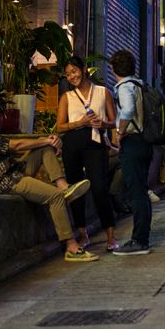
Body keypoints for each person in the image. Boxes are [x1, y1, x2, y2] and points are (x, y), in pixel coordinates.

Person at [0, 102, 97, 262]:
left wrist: (47, 142)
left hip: (14, 172)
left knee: (44, 149)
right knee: (55, 196)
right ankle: (71, 247)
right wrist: (46, 139)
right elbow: (17, 145)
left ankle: (63, 186)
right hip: (7, 182)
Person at [56, 56, 120, 251]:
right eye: (68, 74)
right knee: (76, 191)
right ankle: (83, 235)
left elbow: (115, 121)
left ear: (84, 69)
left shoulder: (103, 92)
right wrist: (79, 123)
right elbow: (60, 126)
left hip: (96, 144)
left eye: (74, 71)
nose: (72, 76)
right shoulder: (67, 97)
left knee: (100, 188)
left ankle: (110, 236)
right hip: (72, 144)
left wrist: (103, 124)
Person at [109, 49, 153, 256]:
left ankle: (139, 240)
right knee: (141, 192)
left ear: (114, 69)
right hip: (145, 142)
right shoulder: (139, 84)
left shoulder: (125, 87)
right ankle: (142, 236)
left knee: (136, 193)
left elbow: (126, 111)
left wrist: (119, 132)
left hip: (133, 143)